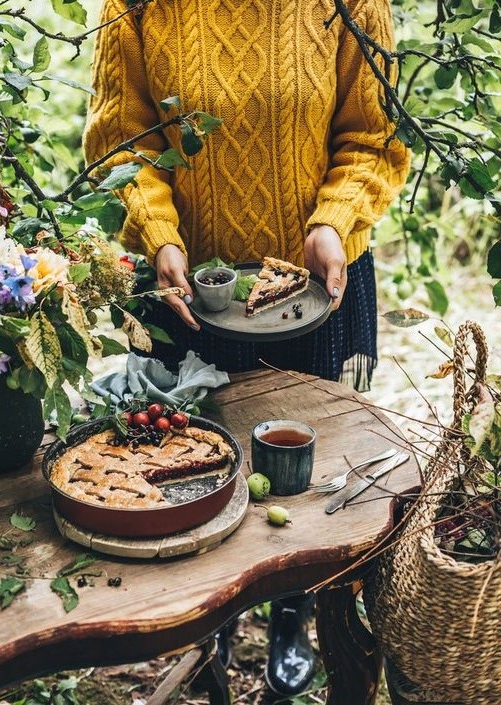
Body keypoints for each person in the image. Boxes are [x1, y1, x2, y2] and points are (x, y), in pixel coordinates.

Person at [84, 0, 410, 696]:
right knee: (192, 464)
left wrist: (335, 220)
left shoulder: (349, 4)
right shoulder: (138, 6)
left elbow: (372, 136)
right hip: (188, 291)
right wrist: (158, 233)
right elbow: (123, 143)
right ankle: (211, 622)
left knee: (308, 474)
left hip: (313, 289)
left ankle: (291, 612)